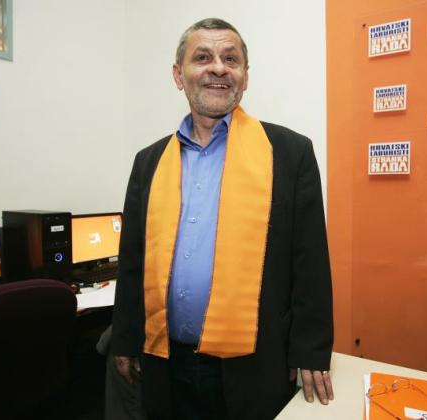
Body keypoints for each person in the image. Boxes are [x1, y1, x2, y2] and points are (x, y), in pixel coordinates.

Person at [111, 18, 334, 420]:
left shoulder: (289, 153)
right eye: (202, 57)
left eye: (231, 59)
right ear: (178, 75)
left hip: (255, 366)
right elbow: (132, 263)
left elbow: (310, 263)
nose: (218, 67)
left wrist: (310, 350)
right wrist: (125, 340)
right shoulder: (149, 162)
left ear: (245, 76)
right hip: (165, 363)